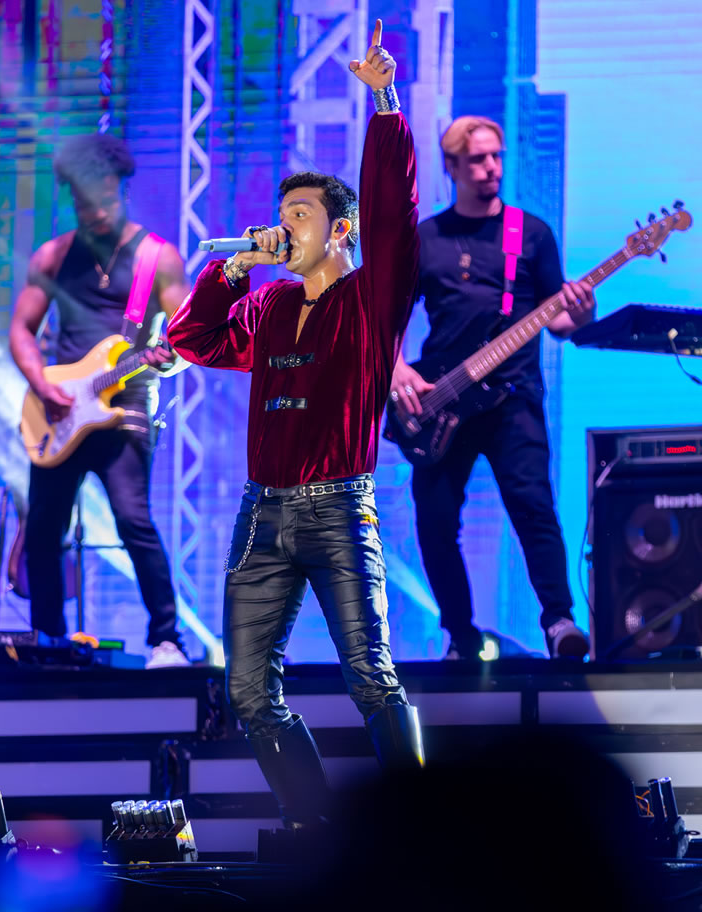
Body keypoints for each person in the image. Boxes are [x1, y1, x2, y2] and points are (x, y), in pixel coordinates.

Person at [167, 19, 421, 829]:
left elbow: (393, 215)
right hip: (262, 513)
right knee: (248, 690)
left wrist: (385, 102)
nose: (286, 226)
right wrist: (234, 266)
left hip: (340, 507)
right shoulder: (271, 305)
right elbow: (193, 338)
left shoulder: (370, 299)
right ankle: (317, 827)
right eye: (282, 214)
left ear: (340, 230)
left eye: (302, 214)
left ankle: (421, 830)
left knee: (371, 677)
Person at [389, 113, 596, 661]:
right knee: (435, 522)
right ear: (452, 166)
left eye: (497, 157)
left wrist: (581, 311)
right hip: (439, 401)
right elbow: (385, 319)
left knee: (534, 507)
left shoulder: (532, 234)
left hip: (513, 397)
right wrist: (396, 369)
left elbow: (559, 320)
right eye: (478, 159)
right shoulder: (426, 239)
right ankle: (460, 636)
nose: (491, 168)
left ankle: (559, 623)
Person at [9, 132, 191, 667]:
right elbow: (20, 329)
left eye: (107, 199)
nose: (98, 212)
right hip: (60, 407)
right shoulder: (53, 255)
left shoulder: (157, 257)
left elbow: (187, 339)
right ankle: (49, 640)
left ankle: (166, 639)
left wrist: (171, 358)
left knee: (134, 521)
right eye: (86, 202)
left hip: (125, 404)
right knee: (43, 529)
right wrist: (42, 384)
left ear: (122, 189)